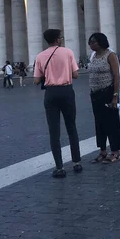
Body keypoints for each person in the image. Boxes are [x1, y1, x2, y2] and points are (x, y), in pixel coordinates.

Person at [33, 29, 82, 178]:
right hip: (66, 91)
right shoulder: (67, 52)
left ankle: (59, 167)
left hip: (51, 94)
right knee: (71, 127)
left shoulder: (40, 56)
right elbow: (76, 75)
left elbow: (36, 80)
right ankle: (76, 162)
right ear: (58, 39)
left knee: (54, 132)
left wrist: (47, 76)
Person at [87, 33, 120, 164]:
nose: (91, 44)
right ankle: (102, 151)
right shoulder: (94, 56)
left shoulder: (111, 55)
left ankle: (115, 151)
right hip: (95, 94)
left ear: (101, 42)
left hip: (108, 92)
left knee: (112, 123)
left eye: (93, 42)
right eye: (90, 42)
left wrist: (115, 95)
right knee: (99, 123)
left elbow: (116, 76)